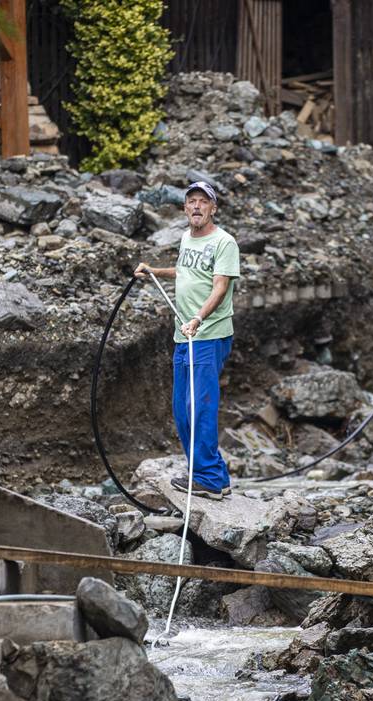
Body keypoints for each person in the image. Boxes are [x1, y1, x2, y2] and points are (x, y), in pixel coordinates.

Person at [135, 181, 240, 501]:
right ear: (184, 209)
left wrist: (198, 318)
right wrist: (154, 271)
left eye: (203, 201)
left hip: (208, 335)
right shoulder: (186, 238)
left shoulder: (224, 242)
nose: (197, 206)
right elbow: (184, 272)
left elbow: (220, 287)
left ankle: (209, 478)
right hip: (184, 335)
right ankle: (212, 475)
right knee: (182, 409)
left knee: (200, 408)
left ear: (213, 208)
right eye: (192, 201)